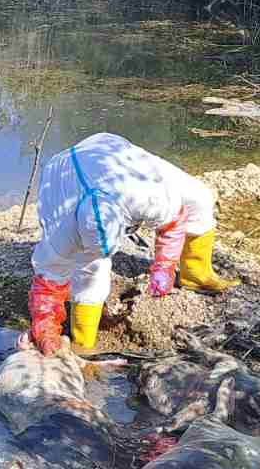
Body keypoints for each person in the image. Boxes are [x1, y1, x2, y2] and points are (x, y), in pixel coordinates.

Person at [27, 132, 233, 355]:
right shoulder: (61, 229)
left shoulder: (147, 196)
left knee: (199, 197)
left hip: (114, 154)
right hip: (64, 170)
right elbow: (47, 284)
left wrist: (165, 266)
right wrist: (46, 328)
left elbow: (174, 220)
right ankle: (84, 342)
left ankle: (196, 275)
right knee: (91, 269)